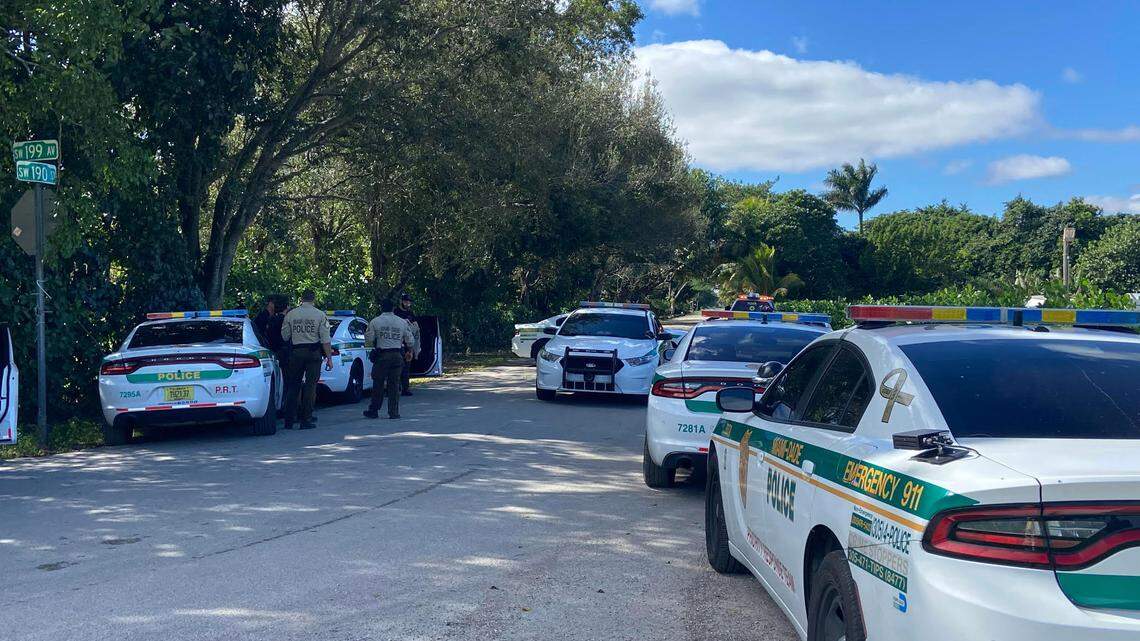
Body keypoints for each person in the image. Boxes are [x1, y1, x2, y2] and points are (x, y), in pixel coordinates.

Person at [280, 290, 333, 430]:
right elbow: (325, 340)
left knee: (293, 386)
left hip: (296, 353)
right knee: (311, 386)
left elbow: (285, 336)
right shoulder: (320, 315)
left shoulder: (291, 314)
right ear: (314, 299)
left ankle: (289, 420)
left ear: (301, 299)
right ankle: (306, 420)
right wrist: (329, 358)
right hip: (314, 353)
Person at [364, 299, 414, 420]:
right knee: (394, 384)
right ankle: (393, 412)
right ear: (393, 309)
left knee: (378, 383)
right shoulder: (402, 322)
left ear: (381, 308)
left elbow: (369, 339)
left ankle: (374, 410)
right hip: (397, 355)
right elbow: (410, 340)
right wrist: (410, 352)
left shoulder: (375, 321)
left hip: (382, 356)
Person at [394, 293, 418, 396]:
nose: (407, 303)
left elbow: (415, 327)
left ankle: (405, 388)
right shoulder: (396, 312)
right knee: (397, 367)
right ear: (402, 301)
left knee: (407, 366)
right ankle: (395, 388)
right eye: (406, 301)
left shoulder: (410, 313)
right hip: (397, 343)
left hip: (408, 343)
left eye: (409, 302)